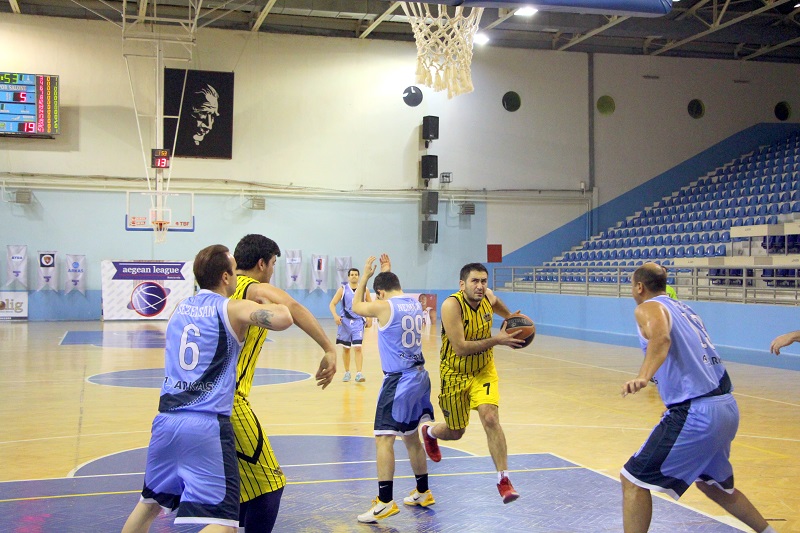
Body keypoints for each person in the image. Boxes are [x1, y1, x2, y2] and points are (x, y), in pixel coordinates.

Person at [121, 244, 297, 533]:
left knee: (148, 505)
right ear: (226, 277)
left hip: (166, 421)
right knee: (225, 523)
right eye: (234, 270)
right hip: (207, 426)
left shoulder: (179, 307)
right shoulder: (232, 308)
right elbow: (285, 318)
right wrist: (268, 300)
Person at [620, 262, 775, 533]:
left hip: (697, 412)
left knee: (632, 480)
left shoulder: (648, 307)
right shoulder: (686, 310)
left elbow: (661, 339)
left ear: (640, 287)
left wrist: (644, 376)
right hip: (724, 407)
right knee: (716, 487)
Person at [231, 234, 338, 533]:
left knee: (238, 489)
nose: (272, 270)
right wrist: (328, 348)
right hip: (231, 401)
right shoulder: (252, 287)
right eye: (273, 264)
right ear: (261, 263)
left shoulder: (219, 291)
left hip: (195, 401)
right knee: (270, 486)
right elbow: (293, 307)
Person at [418, 262, 524, 504]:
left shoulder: (487, 296)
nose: (480, 286)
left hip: (483, 370)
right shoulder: (451, 306)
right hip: (455, 373)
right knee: (456, 432)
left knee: (490, 417)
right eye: (475, 281)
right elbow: (461, 347)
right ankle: (429, 431)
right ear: (462, 284)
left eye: (483, 281)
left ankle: (504, 480)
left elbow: (495, 302)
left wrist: (510, 318)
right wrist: (497, 340)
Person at [350, 255, 436, 523]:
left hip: (398, 380)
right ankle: (423, 492)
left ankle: (385, 501)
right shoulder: (413, 303)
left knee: (383, 438)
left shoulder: (383, 306)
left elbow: (356, 306)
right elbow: (392, 290)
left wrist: (365, 276)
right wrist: (386, 272)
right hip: (420, 376)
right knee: (410, 437)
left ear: (380, 292)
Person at [329, 267, 372, 383]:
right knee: (346, 349)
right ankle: (347, 372)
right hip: (345, 322)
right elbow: (332, 304)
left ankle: (359, 373)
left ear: (359, 276)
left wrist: (369, 317)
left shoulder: (364, 289)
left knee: (358, 347)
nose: (354, 276)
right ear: (348, 277)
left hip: (358, 321)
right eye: (352, 274)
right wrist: (335, 316)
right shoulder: (342, 290)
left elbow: (370, 304)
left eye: (356, 274)